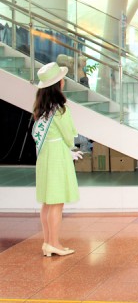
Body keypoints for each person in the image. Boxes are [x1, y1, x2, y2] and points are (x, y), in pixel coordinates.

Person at [33, 62, 81, 258]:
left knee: (47, 203)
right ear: (58, 84)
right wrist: (70, 148)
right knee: (57, 203)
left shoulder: (40, 109)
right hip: (57, 157)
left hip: (45, 155)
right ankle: (54, 243)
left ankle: (47, 242)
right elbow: (69, 137)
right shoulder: (60, 110)